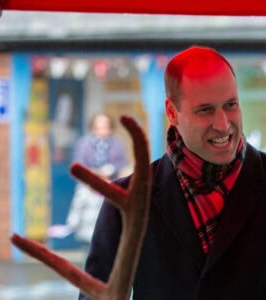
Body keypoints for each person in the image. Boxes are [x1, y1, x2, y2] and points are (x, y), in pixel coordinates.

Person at [79, 46, 266, 299]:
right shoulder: (126, 202)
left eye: (231, 105)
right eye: (205, 110)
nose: (223, 124)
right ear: (171, 112)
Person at [65, 112, 128, 244]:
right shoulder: (84, 143)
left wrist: (109, 169)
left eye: (105, 126)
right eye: (99, 127)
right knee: (87, 224)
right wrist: (92, 174)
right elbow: (79, 163)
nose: (102, 130)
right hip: (89, 186)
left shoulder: (117, 144)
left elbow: (122, 162)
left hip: (110, 185)